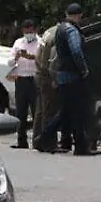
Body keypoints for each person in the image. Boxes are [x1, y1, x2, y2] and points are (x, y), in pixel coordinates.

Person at [35, 3, 91, 156]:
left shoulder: (60, 28)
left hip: (62, 75)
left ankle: (45, 139)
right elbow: (76, 51)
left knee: (66, 111)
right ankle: (78, 146)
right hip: (72, 75)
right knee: (75, 111)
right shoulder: (72, 30)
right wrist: (83, 69)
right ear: (79, 15)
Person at [32, 21, 72, 152]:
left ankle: (37, 140)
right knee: (50, 111)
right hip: (47, 76)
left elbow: (39, 55)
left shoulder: (49, 31)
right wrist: (54, 79)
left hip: (39, 73)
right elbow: (53, 60)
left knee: (40, 111)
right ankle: (48, 143)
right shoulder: (59, 35)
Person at [7, 20, 40, 148]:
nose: (28, 34)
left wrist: (30, 57)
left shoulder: (40, 43)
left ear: (35, 30)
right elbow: (9, 62)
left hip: (34, 79)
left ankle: (37, 140)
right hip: (21, 79)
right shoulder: (18, 43)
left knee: (36, 110)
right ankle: (21, 141)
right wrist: (16, 57)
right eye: (26, 32)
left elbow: (41, 60)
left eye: (30, 32)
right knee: (21, 111)